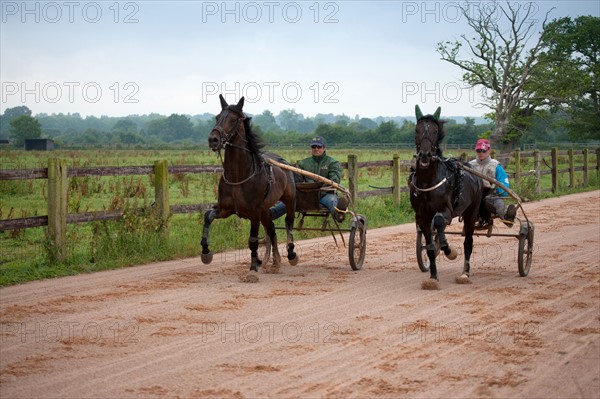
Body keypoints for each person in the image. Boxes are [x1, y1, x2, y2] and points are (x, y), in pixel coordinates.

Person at [270, 136, 347, 222]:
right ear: (311, 148)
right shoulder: (303, 163)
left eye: (319, 147)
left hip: (325, 194)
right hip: (305, 196)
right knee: (288, 202)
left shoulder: (332, 163)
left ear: (324, 148)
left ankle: (338, 214)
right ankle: (269, 214)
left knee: (332, 201)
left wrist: (319, 187)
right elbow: (296, 179)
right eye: (314, 147)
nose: (316, 149)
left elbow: (335, 180)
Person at [468, 138, 517, 227]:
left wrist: (499, 190)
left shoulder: (496, 166)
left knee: (497, 204)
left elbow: (504, 183)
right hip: (473, 196)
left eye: (483, 151)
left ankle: (507, 215)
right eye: (478, 151)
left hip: (492, 195)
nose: (481, 153)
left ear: (488, 151)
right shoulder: (470, 165)